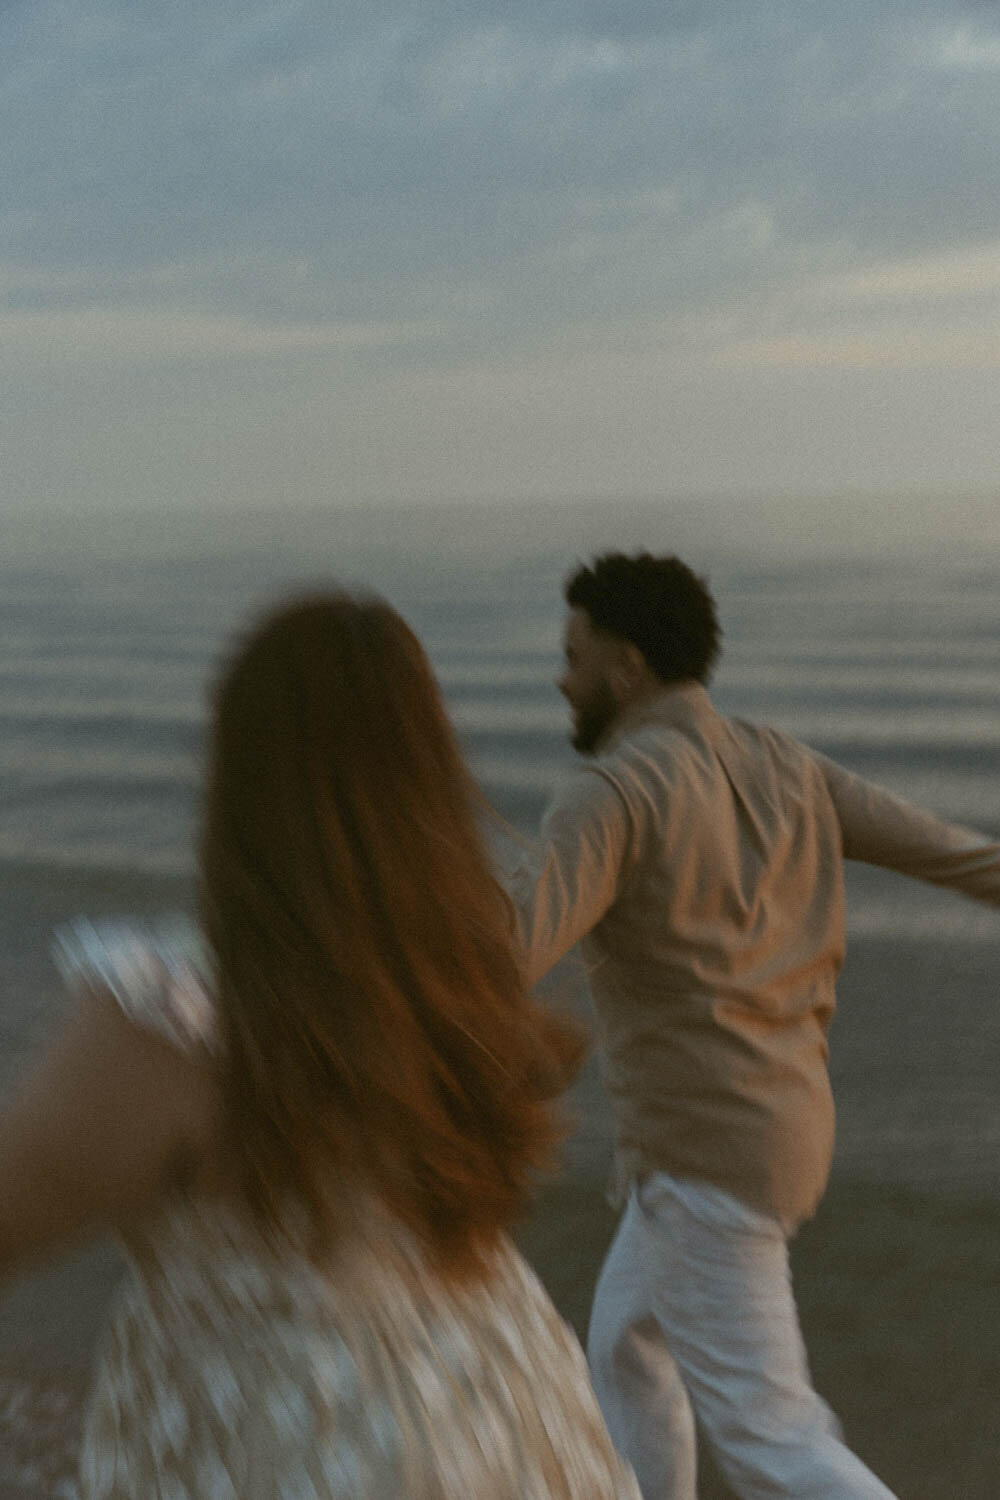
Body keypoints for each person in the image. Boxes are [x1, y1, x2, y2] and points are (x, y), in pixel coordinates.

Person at [0, 592, 642, 1500]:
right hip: (511, 1411)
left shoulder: (175, 1019)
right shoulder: (455, 986)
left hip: (310, 1443)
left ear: (236, 781)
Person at [509, 551, 1000, 1500]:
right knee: (626, 1345)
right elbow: (959, 855)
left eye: (573, 655)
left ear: (628, 665)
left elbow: (502, 955)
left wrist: (419, 849)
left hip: (703, 1163)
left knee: (775, 1439)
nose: (559, 677)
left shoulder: (609, 796)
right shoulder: (785, 764)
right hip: (786, 1132)